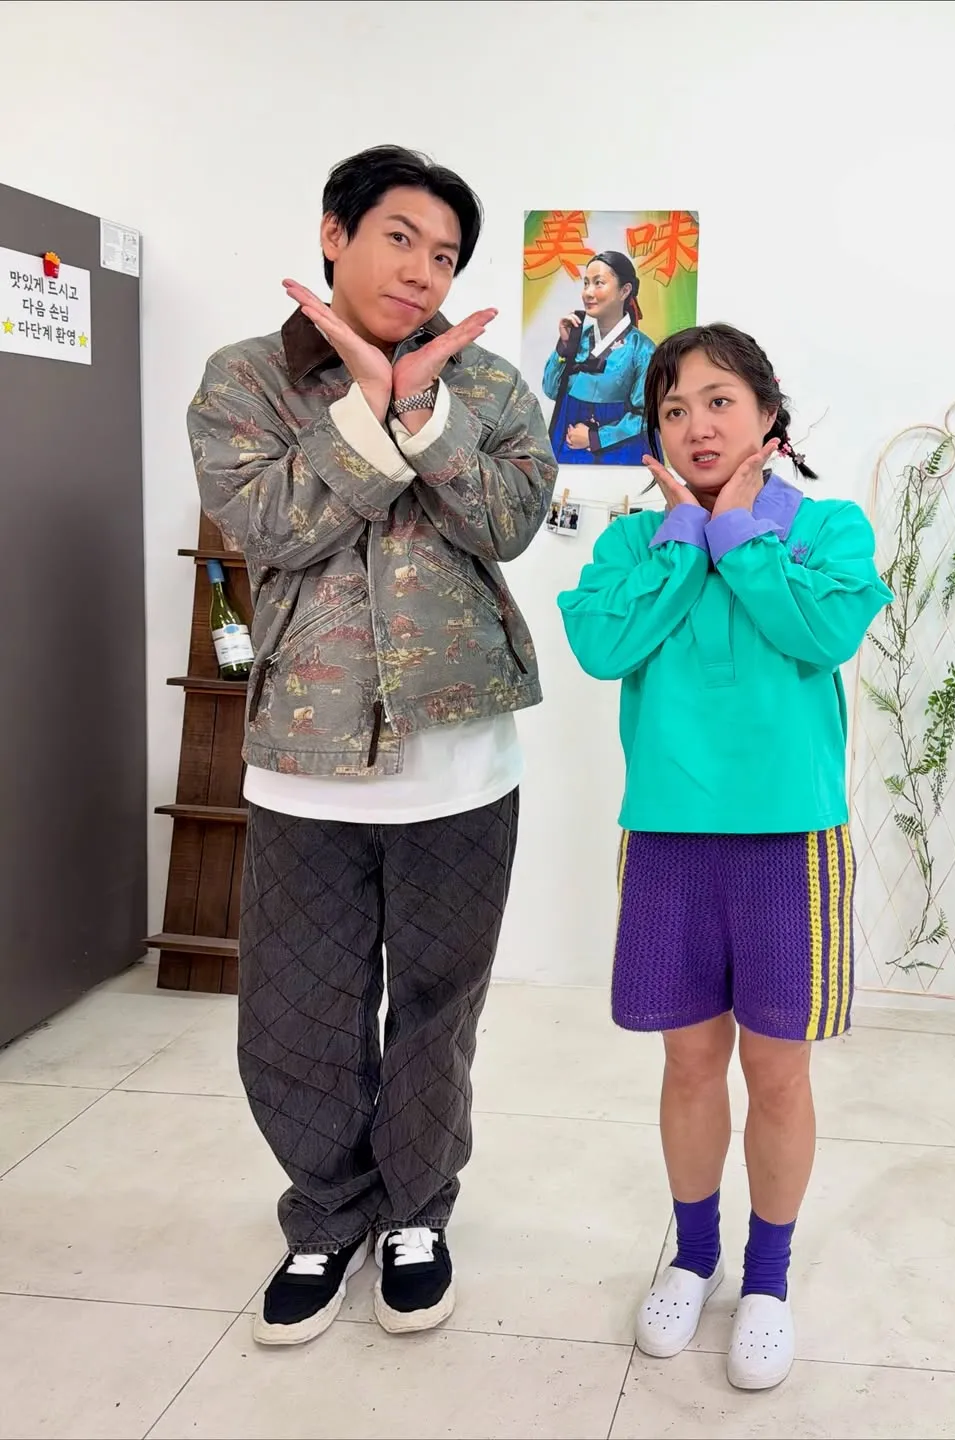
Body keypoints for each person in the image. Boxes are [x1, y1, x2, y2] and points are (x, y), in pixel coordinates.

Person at [187, 145, 557, 1348]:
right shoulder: (246, 379)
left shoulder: (488, 382)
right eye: (400, 238)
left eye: (444, 254)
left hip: (463, 759)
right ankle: (324, 1216)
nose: (422, 270)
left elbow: (509, 519)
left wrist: (427, 411)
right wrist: (361, 403)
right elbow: (270, 524)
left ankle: (415, 1212)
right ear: (335, 234)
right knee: (298, 1011)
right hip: (306, 761)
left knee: (439, 1012)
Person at [558, 324, 891, 1391]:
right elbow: (602, 647)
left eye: (717, 401)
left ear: (766, 414)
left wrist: (738, 531)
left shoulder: (826, 529)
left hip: (791, 845)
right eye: (672, 409)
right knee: (689, 1063)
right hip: (668, 841)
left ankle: (769, 1280)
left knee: (778, 1072)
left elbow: (820, 637)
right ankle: (694, 1257)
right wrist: (681, 538)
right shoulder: (634, 544)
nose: (695, 425)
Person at [542, 250, 656, 465]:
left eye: (598, 283)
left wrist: (594, 438)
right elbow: (551, 390)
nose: (588, 292)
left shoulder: (642, 349)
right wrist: (564, 347)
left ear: (625, 290)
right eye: (586, 283)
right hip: (568, 447)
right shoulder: (577, 339)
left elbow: (647, 416)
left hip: (620, 453)